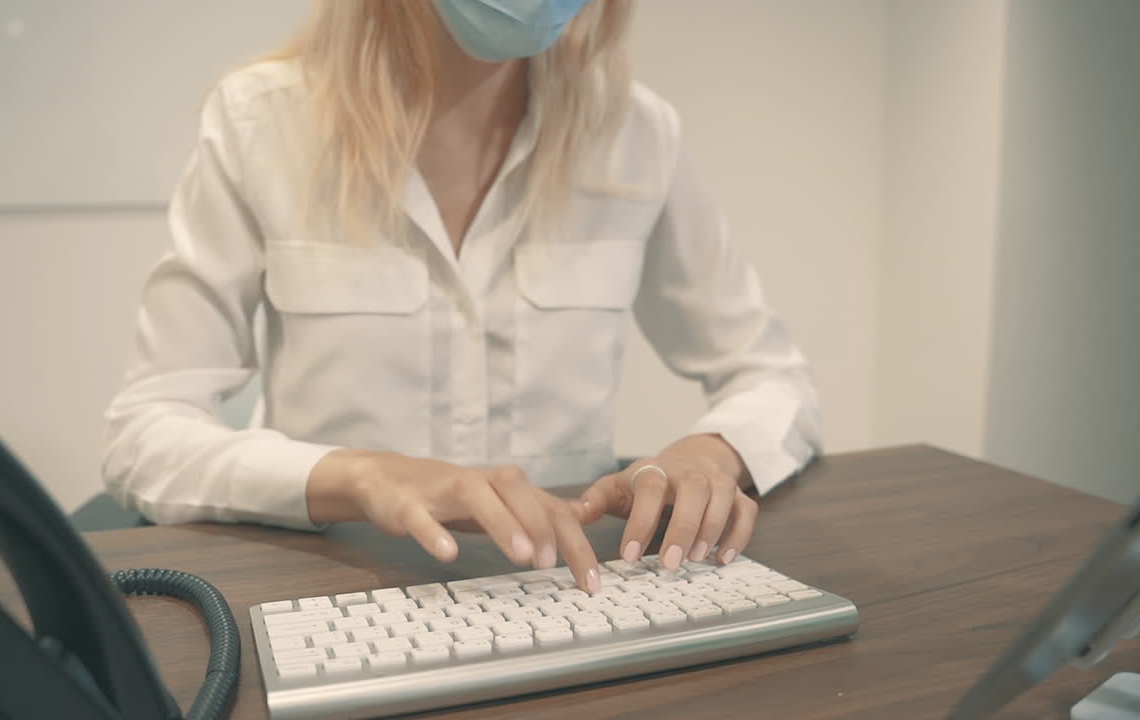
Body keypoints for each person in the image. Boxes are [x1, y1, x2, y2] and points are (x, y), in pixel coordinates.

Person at [102, 0, 821, 594]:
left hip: (566, 591)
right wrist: (361, 476)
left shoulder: (637, 133)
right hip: (335, 591)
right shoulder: (260, 124)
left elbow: (771, 375)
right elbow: (146, 433)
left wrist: (713, 451)